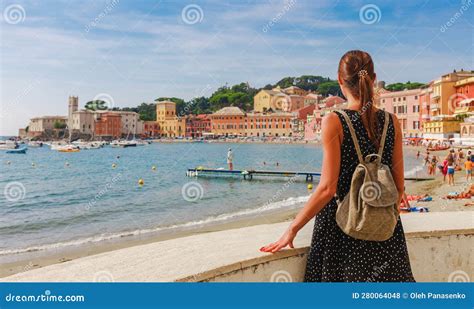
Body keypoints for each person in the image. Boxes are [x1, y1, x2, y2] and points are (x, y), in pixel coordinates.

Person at [260, 50, 415, 282]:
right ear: (373, 79)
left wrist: (292, 228)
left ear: (340, 80)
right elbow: (399, 187)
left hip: (341, 229)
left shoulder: (335, 120)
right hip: (384, 232)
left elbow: (327, 189)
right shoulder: (392, 122)